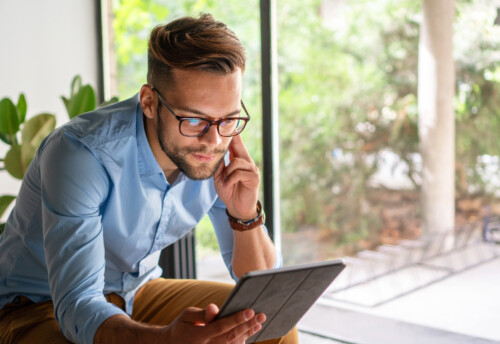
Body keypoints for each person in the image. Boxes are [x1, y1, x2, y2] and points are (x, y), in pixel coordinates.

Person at [0, 14, 298, 344]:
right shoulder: (80, 154)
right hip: (36, 305)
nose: (214, 141)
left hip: (136, 293)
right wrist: (165, 339)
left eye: (228, 119)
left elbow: (263, 289)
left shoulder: (219, 147)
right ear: (149, 102)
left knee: (270, 327)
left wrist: (245, 216)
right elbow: (78, 305)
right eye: (194, 120)